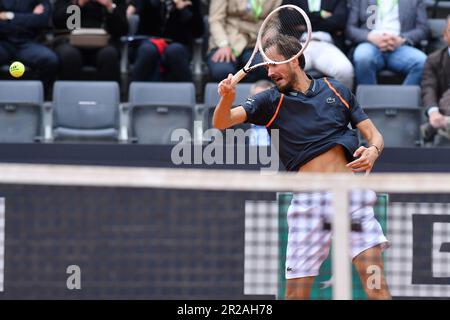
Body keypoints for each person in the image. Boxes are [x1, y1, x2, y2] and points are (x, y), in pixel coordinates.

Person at [213, 35, 391, 299]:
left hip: (351, 197)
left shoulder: (336, 90)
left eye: (274, 64)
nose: (270, 72)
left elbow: (374, 135)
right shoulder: (269, 101)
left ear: (294, 60)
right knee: (296, 295)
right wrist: (226, 98)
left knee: (376, 285)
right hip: (309, 203)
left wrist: (373, 151)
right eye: (267, 66)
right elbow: (222, 122)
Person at [346, 0, 429, 85]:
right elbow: (350, 29)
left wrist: (402, 39)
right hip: (370, 43)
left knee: (422, 62)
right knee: (362, 57)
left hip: (400, 45)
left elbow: (423, 29)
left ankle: (405, 98)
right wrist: (370, 37)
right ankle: (368, 97)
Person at [282, 0, 354, 90]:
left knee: (345, 71)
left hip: (326, 45)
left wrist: (305, 24)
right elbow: (287, 19)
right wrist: (320, 14)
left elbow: (338, 21)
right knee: (282, 71)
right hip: (298, 44)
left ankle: (341, 103)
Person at [53, 0, 128, 82]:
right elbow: (58, 21)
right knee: (70, 55)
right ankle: (70, 93)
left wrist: (109, 7)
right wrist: (79, 4)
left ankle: (107, 93)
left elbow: (122, 30)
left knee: (109, 55)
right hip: (70, 41)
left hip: (104, 42)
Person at [207, 0, 282, 83]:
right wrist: (223, 44)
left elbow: (274, 22)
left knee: (264, 69)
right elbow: (215, 20)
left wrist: (269, 35)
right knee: (221, 71)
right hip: (227, 41)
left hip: (255, 45)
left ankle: (253, 94)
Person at [131, 0, 204, 82]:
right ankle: (134, 91)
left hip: (179, 43)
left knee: (174, 51)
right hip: (150, 41)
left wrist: (183, 10)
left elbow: (198, 32)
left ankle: (187, 92)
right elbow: (143, 22)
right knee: (148, 50)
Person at [0, 0, 59, 97]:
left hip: (28, 42)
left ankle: (39, 97)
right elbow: (34, 20)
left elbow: (41, 20)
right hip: (3, 41)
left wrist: (9, 16)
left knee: (50, 60)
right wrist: (29, 17)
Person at [420, 14, 450, 144]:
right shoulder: (433, 60)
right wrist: (433, 113)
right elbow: (429, 88)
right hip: (441, 113)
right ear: (445, 35)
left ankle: (443, 124)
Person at [249, 80, 273, 146]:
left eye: (266, 99)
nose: (261, 103)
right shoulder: (237, 125)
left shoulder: (284, 125)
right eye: (257, 98)